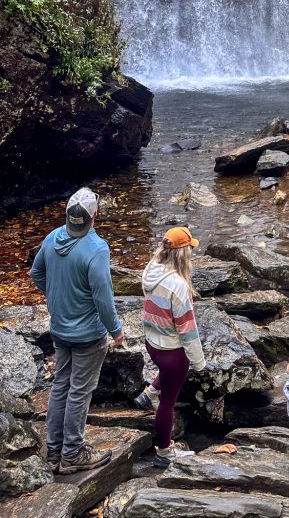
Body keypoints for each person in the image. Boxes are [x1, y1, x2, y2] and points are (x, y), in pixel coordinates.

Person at [29, 188, 124, 474]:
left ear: (69, 215)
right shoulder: (96, 248)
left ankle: (53, 450)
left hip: (60, 329)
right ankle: (72, 453)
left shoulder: (52, 237)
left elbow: (36, 273)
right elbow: (103, 298)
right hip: (88, 335)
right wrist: (116, 330)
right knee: (80, 392)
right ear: (94, 216)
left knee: (60, 386)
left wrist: (55, 296)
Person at [136, 227, 205, 467]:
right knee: (168, 404)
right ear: (183, 254)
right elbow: (188, 330)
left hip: (152, 342)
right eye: (190, 250)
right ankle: (164, 452)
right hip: (172, 353)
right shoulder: (178, 286)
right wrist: (199, 362)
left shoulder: (151, 269)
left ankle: (149, 393)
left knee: (165, 375)